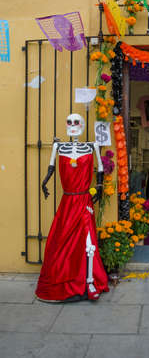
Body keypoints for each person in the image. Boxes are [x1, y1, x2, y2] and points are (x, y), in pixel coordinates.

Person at [35, 114, 109, 302]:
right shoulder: (58, 147)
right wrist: (44, 182)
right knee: (62, 239)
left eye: (76, 122)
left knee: (88, 241)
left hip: (84, 199)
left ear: (83, 125)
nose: (73, 126)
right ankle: (66, 277)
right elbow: (51, 168)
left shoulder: (91, 146)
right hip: (68, 201)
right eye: (69, 122)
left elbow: (100, 168)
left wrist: (99, 187)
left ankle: (89, 281)